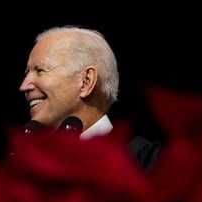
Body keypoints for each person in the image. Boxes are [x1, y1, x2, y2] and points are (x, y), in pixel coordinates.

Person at [18, 24, 163, 171]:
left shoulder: (146, 165)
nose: (24, 86)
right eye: (27, 73)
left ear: (86, 81)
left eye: (40, 70)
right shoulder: (28, 170)